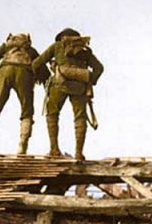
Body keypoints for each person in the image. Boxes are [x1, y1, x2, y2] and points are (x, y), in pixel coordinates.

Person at [32, 28, 104, 161]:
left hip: (59, 84)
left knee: (52, 114)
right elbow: (100, 67)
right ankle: (78, 153)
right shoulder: (85, 51)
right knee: (80, 118)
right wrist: (89, 78)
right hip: (80, 87)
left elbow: (37, 62)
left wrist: (40, 76)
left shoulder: (57, 46)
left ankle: (54, 150)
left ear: (61, 38)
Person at [0, 33, 40, 154]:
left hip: (4, 71)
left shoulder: (6, 46)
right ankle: (22, 147)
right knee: (27, 111)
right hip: (24, 73)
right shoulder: (30, 50)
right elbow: (40, 64)